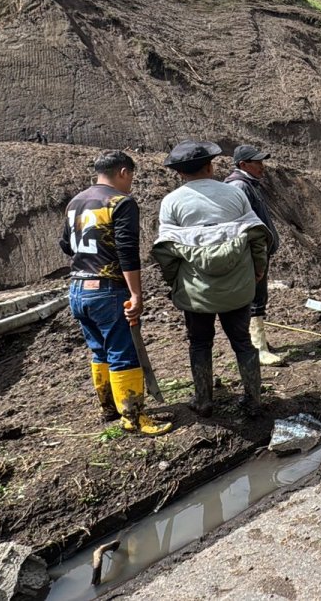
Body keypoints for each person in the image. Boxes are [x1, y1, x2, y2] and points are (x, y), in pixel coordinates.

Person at [152, 141, 273, 418]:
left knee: (199, 343)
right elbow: (257, 237)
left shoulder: (171, 202)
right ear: (210, 165)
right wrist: (258, 270)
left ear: (179, 173)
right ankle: (254, 400)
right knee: (242, 342)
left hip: (196, 292)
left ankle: (204, 400)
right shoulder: (234, 195)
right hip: (237, 287)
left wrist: (175, 283)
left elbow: (167, 252)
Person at [60, 149, 171, 436]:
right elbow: (127, 251)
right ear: (123, 172)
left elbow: (65, 244)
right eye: (131, 176)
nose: (131, 182)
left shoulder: (76, 202)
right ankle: (133, 417)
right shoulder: (120, 202)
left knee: (100, 350)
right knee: (124, 351)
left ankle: (109, 408)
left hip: (77, 289)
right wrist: (136, 294)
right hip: (108, 292)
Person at [224, 144, 283, 366]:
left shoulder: (248, 184)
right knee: (254, 298)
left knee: (258, 296)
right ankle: (257, 347)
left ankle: (259, 342)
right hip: (250, 253)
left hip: (256, 252)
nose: (262, 167)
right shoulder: (240, 185)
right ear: (243, 164)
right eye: (257, 162)